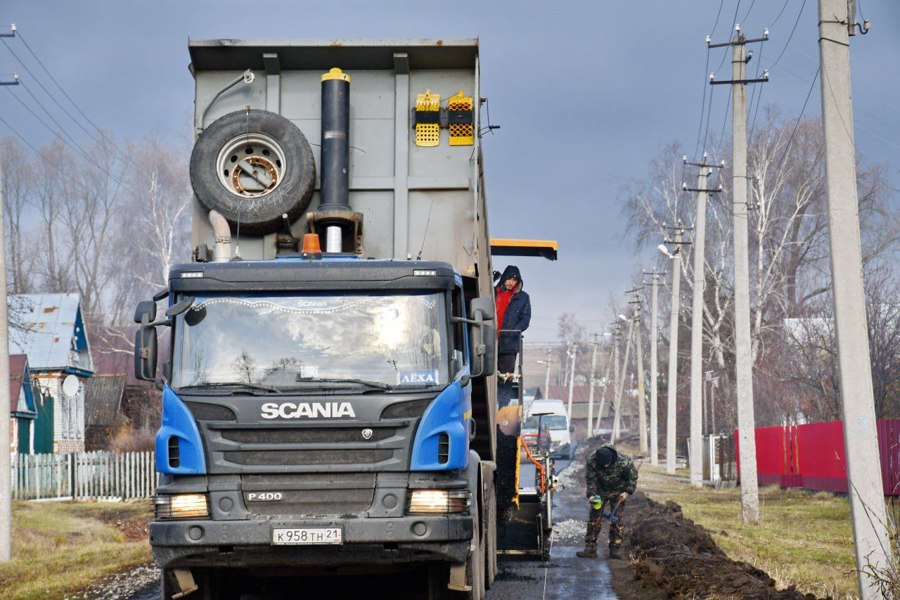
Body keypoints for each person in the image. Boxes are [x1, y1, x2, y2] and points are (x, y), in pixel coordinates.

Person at [577, 444, 638, 560]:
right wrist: (591, 495)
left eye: (607, 464)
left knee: (617, 520)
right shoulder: (592, 460)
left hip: (618, 491)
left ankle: (614, 549)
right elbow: (591, 480)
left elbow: (632, 478)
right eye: (603, 464)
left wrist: (627, 492)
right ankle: (590, 549)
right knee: (594, 518)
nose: (605, 466)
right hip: (600, 491)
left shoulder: (624, 462)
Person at [494, 265, 531, 374]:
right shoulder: (493, 293)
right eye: (509, 279)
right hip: (490, 340)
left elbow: (525, 319)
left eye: (514, 280)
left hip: (509, 344)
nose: (511, 282)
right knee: (489, 375)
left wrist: (513, 332)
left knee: (506, 378)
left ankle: (504, 391)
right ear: (504, 278)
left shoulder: (523, 297)